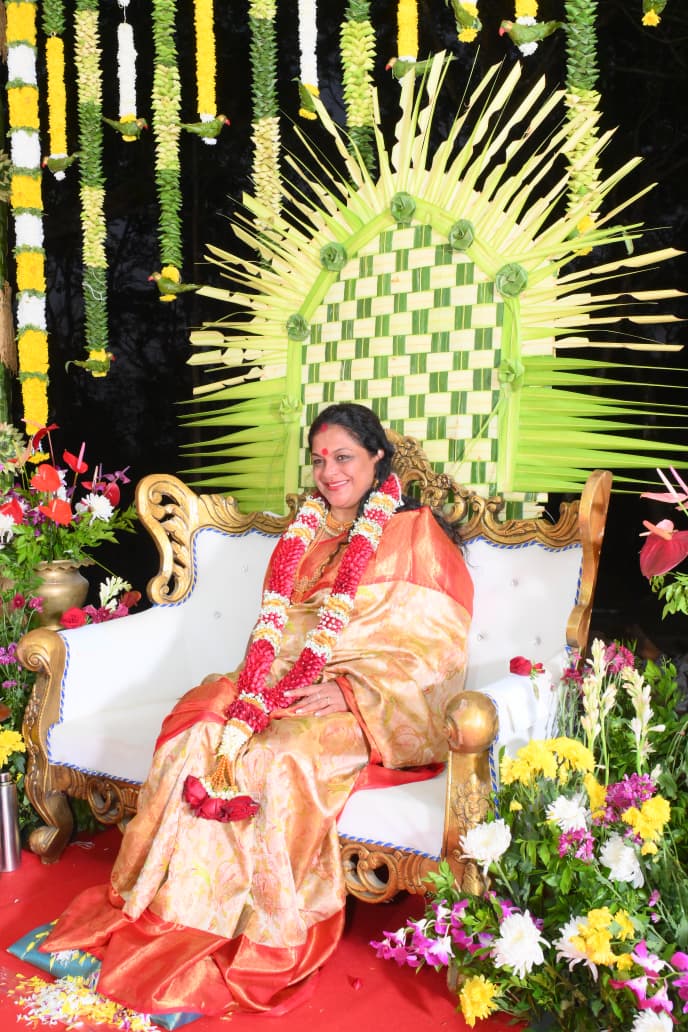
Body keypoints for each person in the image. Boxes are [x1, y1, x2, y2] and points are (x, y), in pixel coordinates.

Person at [37, 403, 474, 1018]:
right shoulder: (305, 531)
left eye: (343, 457)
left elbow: (438, 652)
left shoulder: (414, 534)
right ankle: (174, 905)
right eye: (319, 460)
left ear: (377, 458)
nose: (329, 472)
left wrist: (352, 691)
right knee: (196, 733)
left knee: (276, 756)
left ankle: (253, 924)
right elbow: (277, 628)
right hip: (272, 678)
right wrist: (260, 686)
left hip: (358, 700)